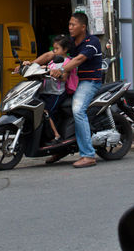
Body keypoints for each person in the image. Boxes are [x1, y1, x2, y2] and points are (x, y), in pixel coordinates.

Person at [46, 12, 103, 168]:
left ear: (83, 27)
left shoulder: (92, 41)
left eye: (73, 25)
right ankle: (62, 147)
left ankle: (88, 155)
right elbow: (52, 53)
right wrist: (29, 64)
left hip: (89, 82)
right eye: (69, 24)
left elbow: (78, 60)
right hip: (73, 83)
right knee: (52, 105)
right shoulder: (70, 42)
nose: (70, 27)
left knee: (78, 110)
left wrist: (62, 70)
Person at [20, 35, 77, 141]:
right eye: (53, 48)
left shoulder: (67, 62)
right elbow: (45, 67)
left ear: (65, 49)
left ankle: (56, 135)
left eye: (57, 49)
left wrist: (57, 74)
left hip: (56, 94)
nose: (54, 51)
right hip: (45, 91)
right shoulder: (53, 60)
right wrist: (30, 65)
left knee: (46, 111)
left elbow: (64, 77)